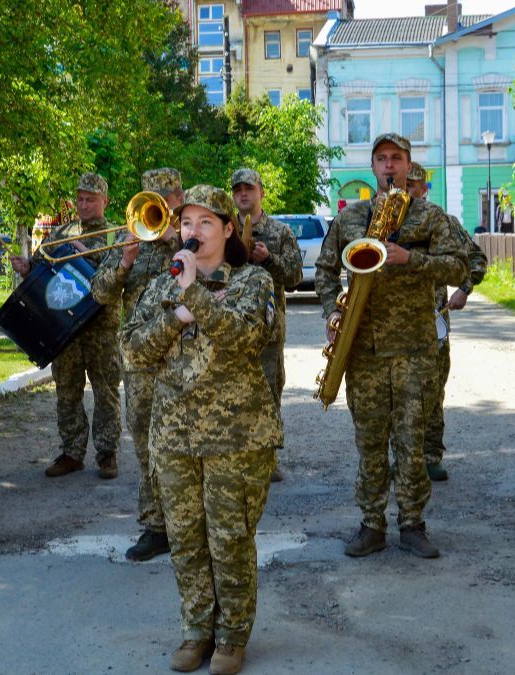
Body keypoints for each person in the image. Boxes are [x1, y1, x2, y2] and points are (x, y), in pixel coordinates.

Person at [122, 185, 279, 675]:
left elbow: (247, 336)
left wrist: (195, 298)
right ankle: (196, 631)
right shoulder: (160, 287)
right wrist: (178, 314)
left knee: (229, 538)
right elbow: (133, 350)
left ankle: (232, 636)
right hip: (173, 435)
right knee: (187, 540)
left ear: (228, 229)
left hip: (236, 437)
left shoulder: (253, 281)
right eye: (186, 223)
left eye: (205, 223)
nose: (193, 232)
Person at [314, 133, 468, 559]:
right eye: (381, 159)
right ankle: (371, 524)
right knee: (369, 441)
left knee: (411, 440)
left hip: (415, 349)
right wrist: (332, 313)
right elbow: (325, 271)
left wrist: (410, 259)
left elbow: (459, 265)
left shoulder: (431, 217)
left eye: (396, 159)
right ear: (373, 167)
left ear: (408, 165)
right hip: (362, 349)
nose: (388, 166)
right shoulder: (350, 218)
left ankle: (413, 524)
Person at [90, 167, 183, 562]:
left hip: (186, 358)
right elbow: (99, 293)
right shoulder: (131, 238)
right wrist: (124, 263)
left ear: (178, 197)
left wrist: (177, 240)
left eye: (167, 196)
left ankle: (188, 523)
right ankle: (155, 525)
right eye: (153, 197)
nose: (161, 203)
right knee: (146, 445)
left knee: (185, 444)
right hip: (142, 361)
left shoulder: (196, 235)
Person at [10, 173, 122, 480]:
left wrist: (80, 249)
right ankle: (72, 453)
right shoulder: (60, 231)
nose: (84, 205)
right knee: (67, 391)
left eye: (91, 199)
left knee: (106, 391)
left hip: (100, 328)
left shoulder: (116, 235)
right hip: (64, 327)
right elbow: (43, 267)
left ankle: (107, 453)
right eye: (80, 199)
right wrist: (27, 268)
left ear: (104, 201)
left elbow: (116, 276)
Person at [406, 165, 488, 482]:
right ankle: (403, 455)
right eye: (404, 185)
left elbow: (476, 258)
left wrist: (464, 289)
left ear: (424, 189)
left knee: (431, 393)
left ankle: (430, 455)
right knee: (397, 398)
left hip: (432, 326)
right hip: (389, 330)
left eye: (414, 186)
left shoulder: (442, 222)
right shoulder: (380, 224)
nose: (409, 191)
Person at [230, 168, 302, 483]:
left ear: (260, 192)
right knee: (231, 394)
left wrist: (269, 259)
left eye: (249, 188)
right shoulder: (224, 229)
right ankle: (236, 457)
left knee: (269, 394)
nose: (243, 194)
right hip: (231, 328)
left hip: (268, 330)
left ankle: (267, 459)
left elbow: (296, 277)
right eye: (237, 190)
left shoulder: (280, 232)